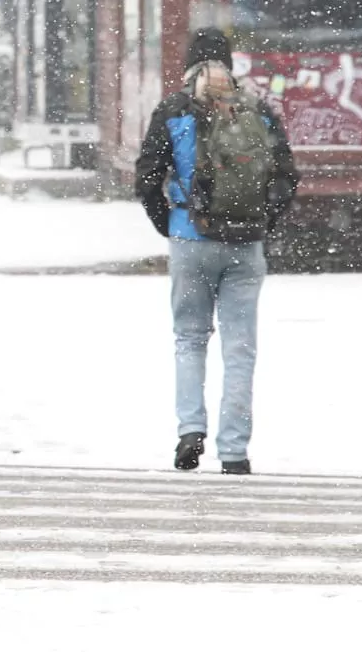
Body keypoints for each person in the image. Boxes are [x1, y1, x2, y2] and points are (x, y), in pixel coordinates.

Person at [135, 28, 299, 475]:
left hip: (191, 240)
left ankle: (190, 430)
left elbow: (147, 178)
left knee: (190, 339)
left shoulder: (173, 111)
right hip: (245, 246)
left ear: (188, 64)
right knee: (240, 347)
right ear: (230, 63)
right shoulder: (257, 111)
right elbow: (286, 177)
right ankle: (234, 451)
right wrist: (260, 223)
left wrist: (170, 225)